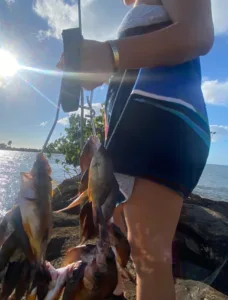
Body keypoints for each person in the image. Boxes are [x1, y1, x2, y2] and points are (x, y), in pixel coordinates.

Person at [57, 0, 214, 299]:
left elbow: (198, 33)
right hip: (131, 137)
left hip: (162, 125)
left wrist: (110, 53)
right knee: (116, 251)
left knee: (148, 258)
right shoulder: (137, 11)